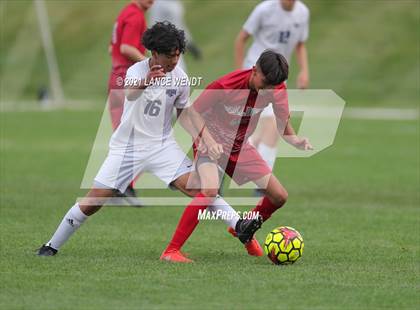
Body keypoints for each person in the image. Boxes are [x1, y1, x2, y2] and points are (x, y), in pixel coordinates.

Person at [37, 22, 261, 263]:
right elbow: (129, 92)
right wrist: (147, 80)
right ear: (154, 53)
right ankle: (51, 245)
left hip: (161, 147)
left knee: (202, 188)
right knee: (93, 201)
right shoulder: (136, 70)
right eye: (169, 56)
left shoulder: (180, 78)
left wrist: (206, 139)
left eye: (177, 55)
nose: (174, 60)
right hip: (128, 148)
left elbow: (185, 113)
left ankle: (240, 224)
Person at [161, 50, 312, 260]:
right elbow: (192, 112)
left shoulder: (275, 87)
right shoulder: (226, 85)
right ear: (254, 70)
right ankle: (171, 250)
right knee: (209, 190)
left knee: (279, 196)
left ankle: (243, 227)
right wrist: (208, 140)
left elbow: (282, 121)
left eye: (271, 88)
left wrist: (294, 139)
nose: (266, 91)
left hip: (239, 147)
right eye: (264, 84)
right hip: (209, 142)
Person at [234, 0, 310, 174]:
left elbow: (300, 44)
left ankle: (252, 174)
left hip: (278, 77)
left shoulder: (303, 12)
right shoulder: (264, 10)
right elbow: (241, 39)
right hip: (256, 74)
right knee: (271, 124)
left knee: (265, 130)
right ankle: (261, 180)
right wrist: (239, 74)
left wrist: (304, 71)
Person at [108, 0, 154, 197]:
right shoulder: (135, 16)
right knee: (143, 135)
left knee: (126, 134)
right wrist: (151, 64)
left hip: (117, 78)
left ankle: (122, 184)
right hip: (127, 80)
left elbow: (113, 48)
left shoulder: (125, 12)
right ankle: (122, 184)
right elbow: (126, 47)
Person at [149, 0, 201, 72]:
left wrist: (189, 44)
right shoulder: (163, 5)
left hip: (173, 44)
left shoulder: (174, 3)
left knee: (180, 74)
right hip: (163, 46)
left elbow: (180, 25)